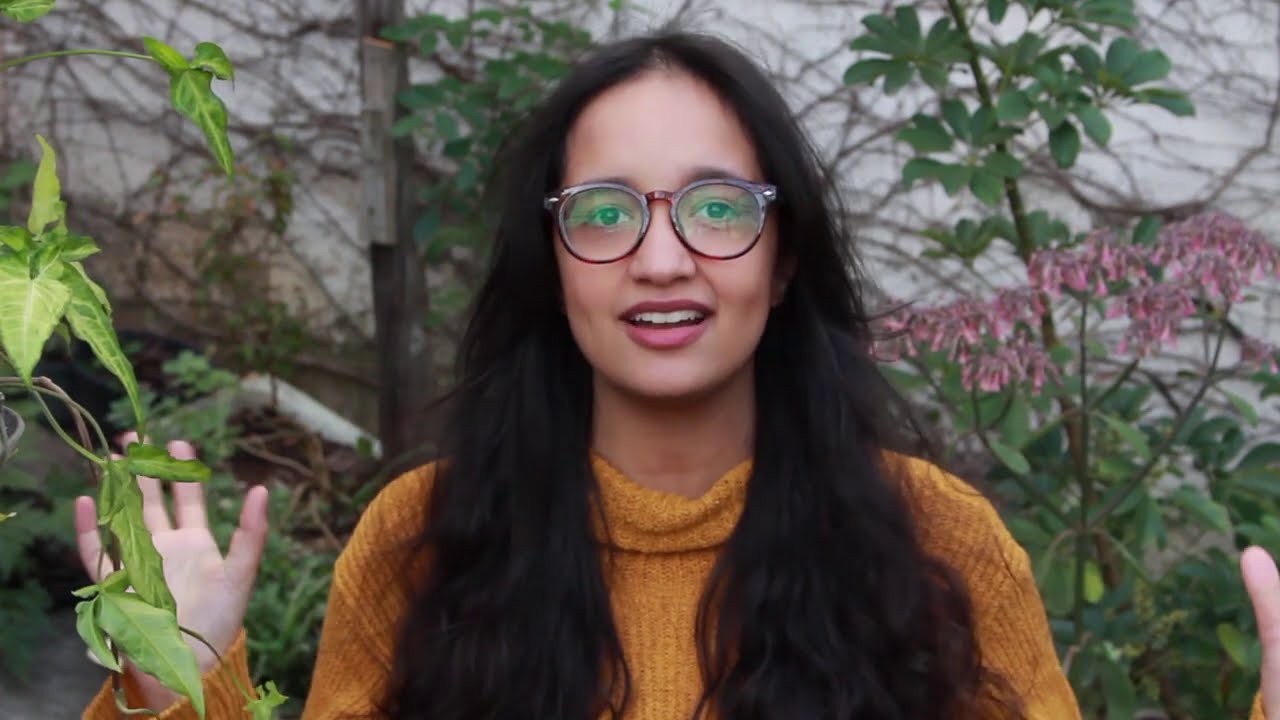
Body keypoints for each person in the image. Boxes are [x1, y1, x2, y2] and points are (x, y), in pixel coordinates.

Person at [77, 30, 1279, 720]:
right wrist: (176, 680)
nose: (661, 259)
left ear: (783, 253)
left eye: (715, 207)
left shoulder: (937, 547)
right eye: (605, 212)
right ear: (553, 261)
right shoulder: (422, 542)